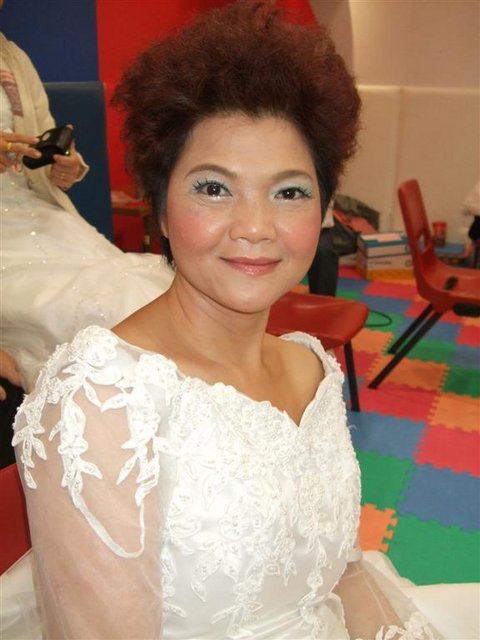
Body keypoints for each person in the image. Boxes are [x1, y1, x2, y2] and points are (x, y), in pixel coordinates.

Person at [12, 2, 475, 639]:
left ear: (325, 210)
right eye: (213, 188)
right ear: (160, 207)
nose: (255, 227)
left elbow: (342, 574)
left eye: (289, 192)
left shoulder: (310, 366)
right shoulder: (102, 402)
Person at [0, 30, 174, 394]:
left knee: (152, 292)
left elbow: (40, 141)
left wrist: (62, 164)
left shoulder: (13, 57)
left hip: (38, 213)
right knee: (94, 310)